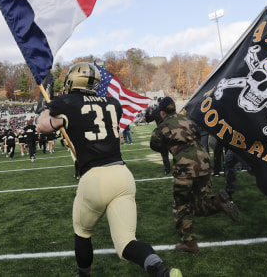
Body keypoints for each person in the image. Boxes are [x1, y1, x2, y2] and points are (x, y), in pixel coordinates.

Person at [36, 62, 180, 277]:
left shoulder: (65, 102)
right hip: (122, 175)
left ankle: (84, 275)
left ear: (72, 81)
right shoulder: (113, 103)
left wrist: (45, 108)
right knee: (126, 243)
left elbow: (42, 126)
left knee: (83, 232)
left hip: (95, 178)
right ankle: (161, 270)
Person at [150, 96, 239, 254]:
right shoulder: (188, 120)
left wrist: (170, 142)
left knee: (181, 206)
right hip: (204, 163)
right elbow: (198, 135)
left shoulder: (163, 126)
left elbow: (155, 145)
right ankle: (219, 202)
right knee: (199, 205)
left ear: (162, 112)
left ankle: (190, 244)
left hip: (185, 166)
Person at [144, 101, 171, 175]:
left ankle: (168, 169)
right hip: (167, 133)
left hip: (166, 133)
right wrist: (147, 113)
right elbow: (148, 119)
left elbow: (148, 119)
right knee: (166, 152)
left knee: (167, 152)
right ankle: (169, 168)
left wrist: (147, 113)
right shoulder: (163, 110)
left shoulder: (158, 111)